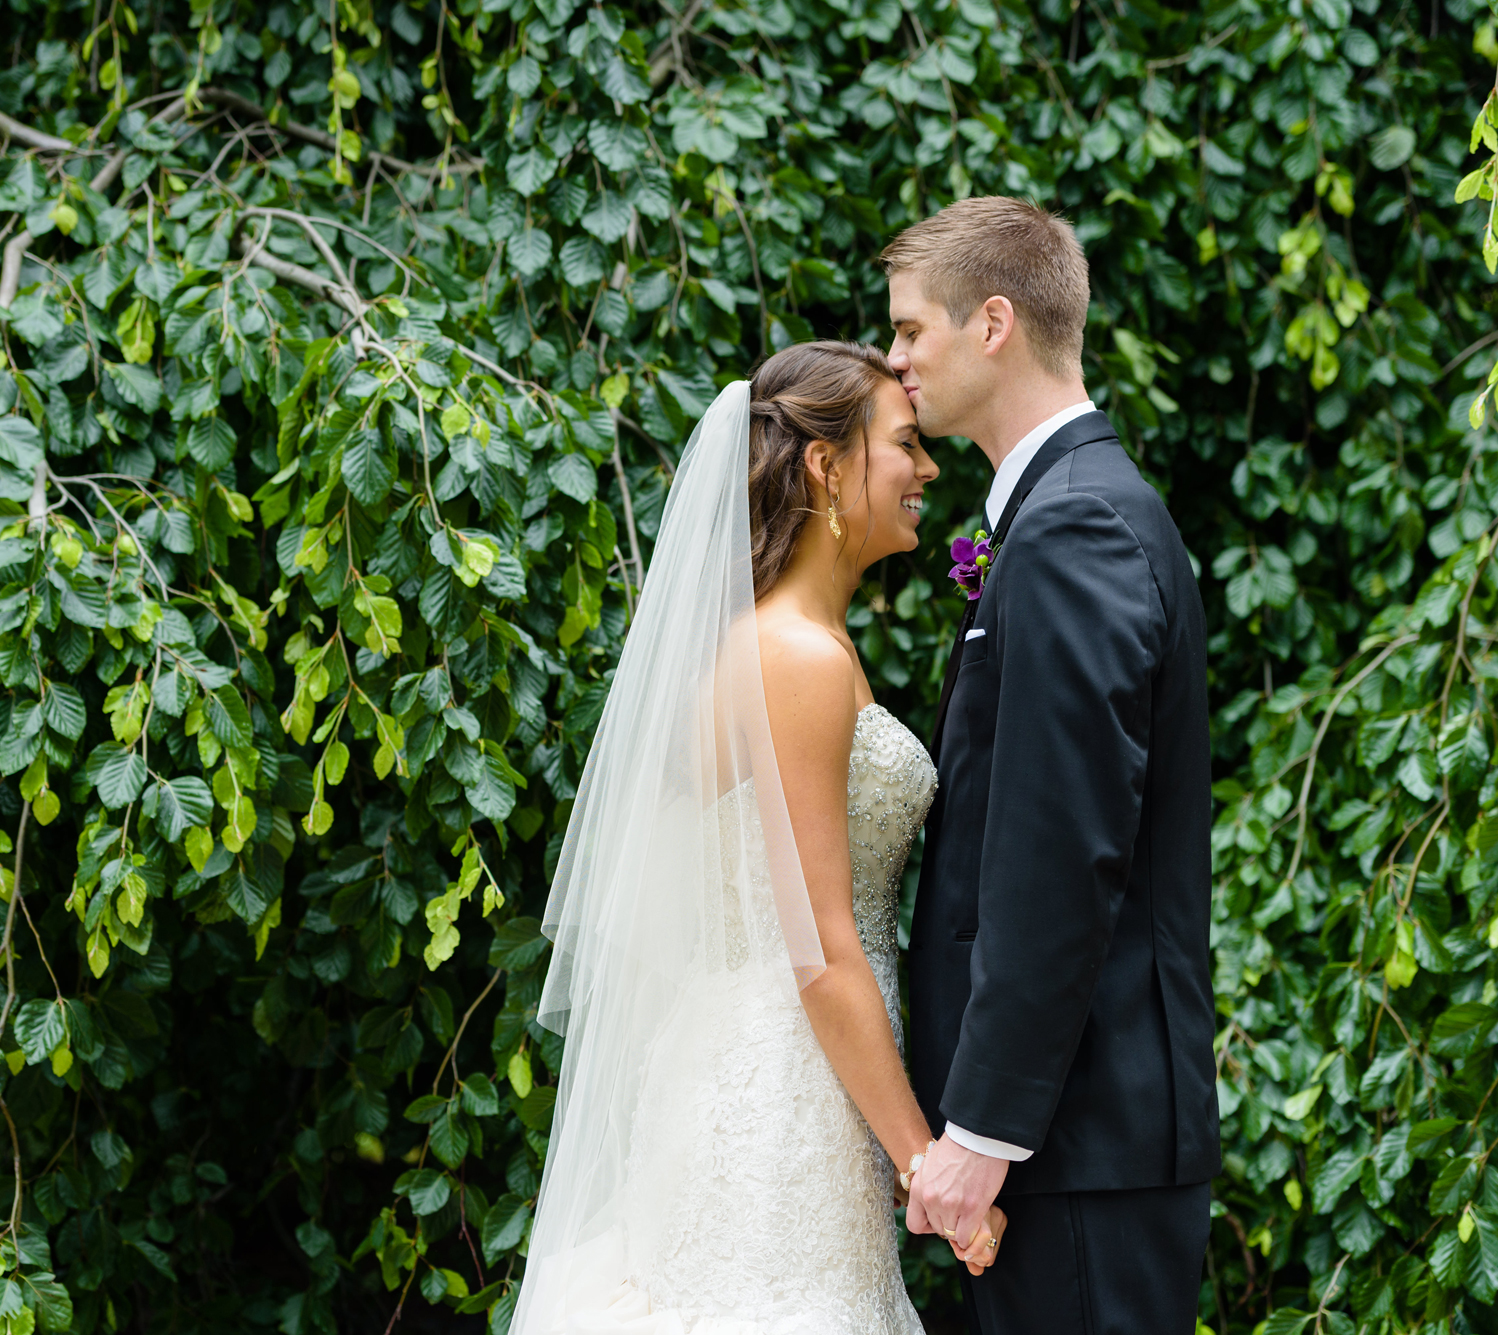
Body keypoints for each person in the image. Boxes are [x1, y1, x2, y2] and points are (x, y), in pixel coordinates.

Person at [513, 342, 1005, 1334]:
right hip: (779, 1095)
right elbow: (820, 951)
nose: (929, 470)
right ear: (825, 466)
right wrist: (928, 1167)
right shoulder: (794, 657)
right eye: (905, 445)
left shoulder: (781, 646)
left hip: (769, 1072)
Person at [886, 197, 1219, 1333]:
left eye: (908, 331)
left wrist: (979, 1134)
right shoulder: (1055, 514)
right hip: (1069, 1145)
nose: (893, 361)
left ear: (990, 323)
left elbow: (1057, 853)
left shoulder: (1074, 527)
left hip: (1076, 1143)